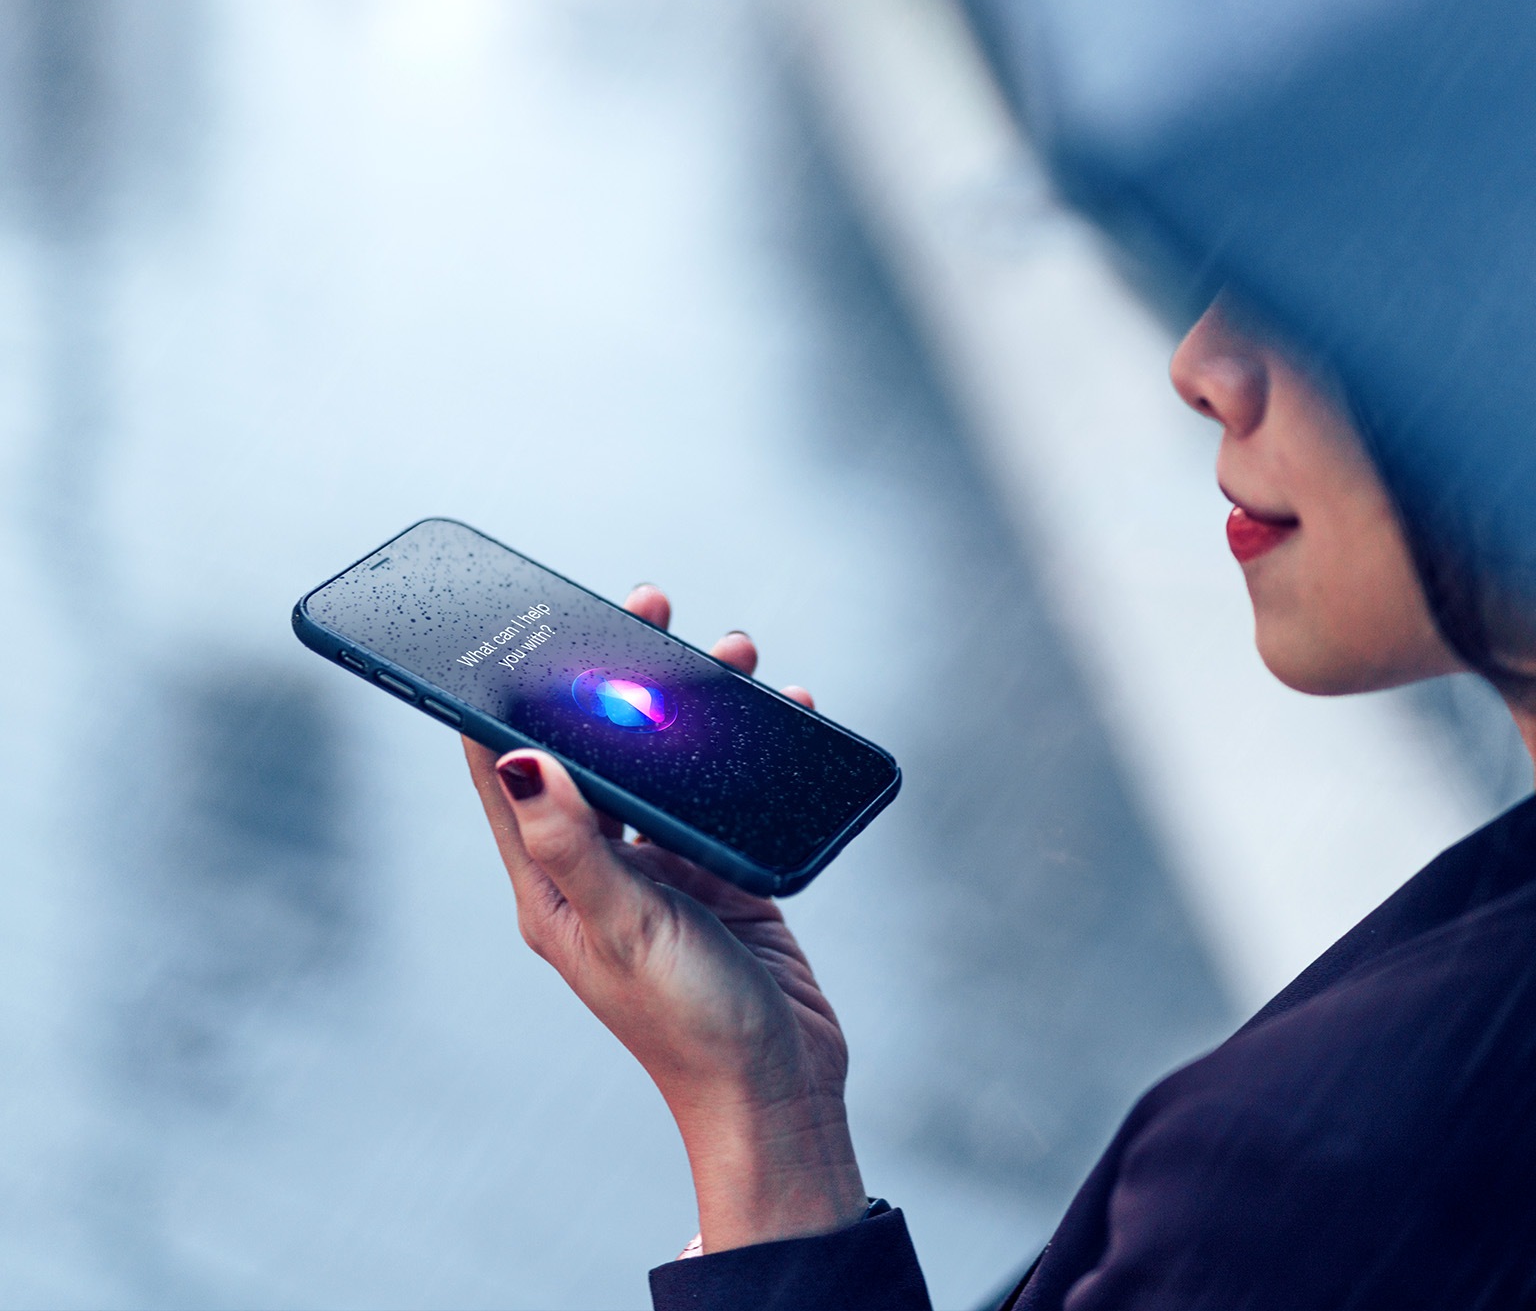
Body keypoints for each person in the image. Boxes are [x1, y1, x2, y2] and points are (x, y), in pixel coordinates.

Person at [461, 291, 1536, 1309]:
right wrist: (770, 1104)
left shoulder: (1299, 1175)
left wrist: (750, 1133)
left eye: (1347, 283)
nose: (1204, 366)